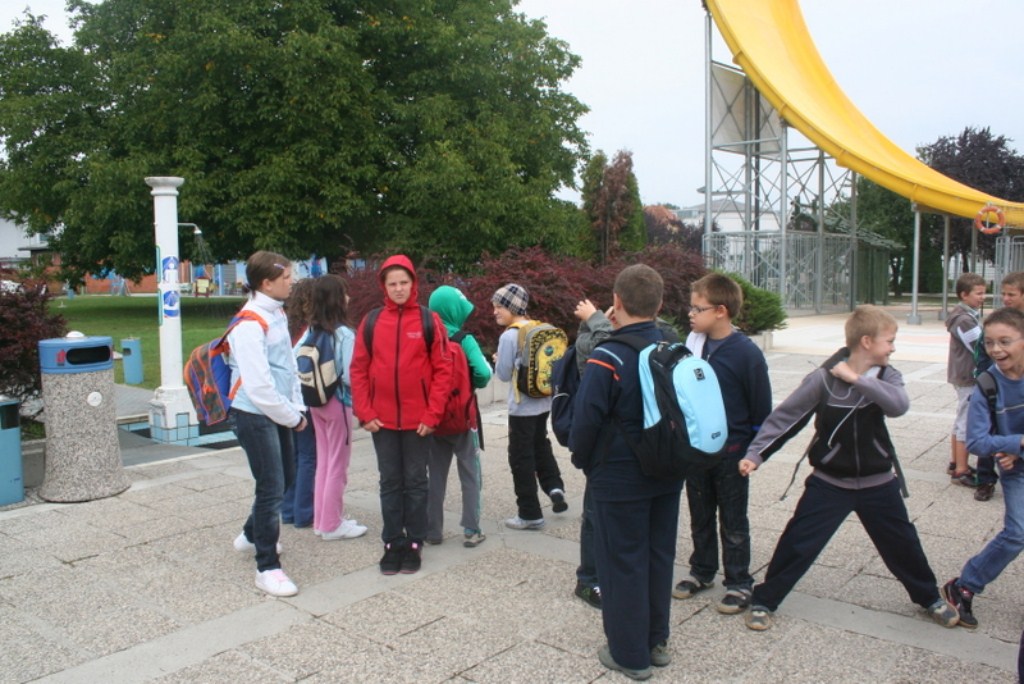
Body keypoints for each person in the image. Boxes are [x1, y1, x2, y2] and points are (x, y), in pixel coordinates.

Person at [738, 305, 959, 632]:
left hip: (878, 483)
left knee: (903, 544)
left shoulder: (888, 376)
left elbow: (898, 406)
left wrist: (856, 379)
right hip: (829, 483)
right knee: (798, 542)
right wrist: (755, 454)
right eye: (889, 340)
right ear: (867, 341)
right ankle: (764, 600)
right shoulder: (823, 379)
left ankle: (929, 598)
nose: (893, 347)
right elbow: (787, 417)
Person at [570, 264, 682, 681]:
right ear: (660, 303)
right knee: (658, 556)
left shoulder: (608, 356)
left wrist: (584, 460)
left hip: (619, 476)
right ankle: (656, 642)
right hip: (669, 470)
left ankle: (629, 654)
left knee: (621, 562)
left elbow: (585, 420)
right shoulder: (674, 349)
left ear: (616, 303)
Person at [673, 273, 772, 615]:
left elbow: (761, 409)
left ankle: (739, 581)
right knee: (700, 515)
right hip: (697, 450)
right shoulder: (691, 347)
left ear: (720, 311)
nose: (690, 314)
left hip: (732, 453)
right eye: (691, 307)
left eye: (697, 308)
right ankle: (702, 571)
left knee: (733, 520)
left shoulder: (746, 354)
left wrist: (754, 452)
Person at [350, 255, 453, 575]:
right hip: (381, 421)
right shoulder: (371, 321)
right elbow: (358, 369)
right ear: (384, 286)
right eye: (392, 283)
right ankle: (393, 541)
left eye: (403, 283)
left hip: (418, 422)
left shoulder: (428, 320)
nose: (398, 289)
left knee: (416, 482)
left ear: (413, 284)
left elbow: (443, 370)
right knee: (390, 481)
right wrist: (365, 412)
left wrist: (432, 414)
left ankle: (414, 541)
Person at [228, 250, 308, 597]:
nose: (292, 282)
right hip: (255, 414)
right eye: (286, 277)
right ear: (266, 283)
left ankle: (251, 534)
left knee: (285, 478)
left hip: (277, 411)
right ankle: (267, 567)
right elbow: (259, 386)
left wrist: (295, 408)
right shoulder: (249, 324)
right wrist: (293, 417)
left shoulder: (275, 312)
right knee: (272, 486)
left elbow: (286, 367)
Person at [944, 307, 1024, 629]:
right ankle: (964, 585)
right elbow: (977, 441)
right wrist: (1014, 443)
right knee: (1017, 533)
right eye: (989, 343)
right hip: (1015, 469)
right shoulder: (988, 383)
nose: (996, 349)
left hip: (1016, 456)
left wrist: (1013, 446)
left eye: (1005, 341)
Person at [492, 283, 567, 531]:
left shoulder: (509, 336)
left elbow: (503, 374)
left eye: (500, 306)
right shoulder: (538, 328)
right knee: (541, 445)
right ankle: (555, 487)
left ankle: (529, 513)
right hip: (543, 402)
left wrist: (498, 360)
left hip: (521, 407)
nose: (495, 311)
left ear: (513, 308)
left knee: (520, 457)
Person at [426, 285, 492, 548]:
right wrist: (470, 384)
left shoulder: (425, 337)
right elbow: (484, 373)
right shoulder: (464, 340)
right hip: (463, 417)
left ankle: (433, 531)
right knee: (470, 473)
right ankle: (472, 529)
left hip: (433, 419)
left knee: (435, 475)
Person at [307, 275, 367, 541]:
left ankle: (322, 520)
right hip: (339, 403)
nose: (348, 298)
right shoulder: (344, 334)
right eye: (344, 293)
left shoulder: (313, 330)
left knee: (324, 461)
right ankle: (332, 524)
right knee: (338, 465)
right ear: (336, 299)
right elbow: (351, 376)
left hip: (316, 401)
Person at [975, 271, 1024, 502]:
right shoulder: (996, 323)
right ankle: (985, 480)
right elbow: (981, 356)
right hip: (997, 389)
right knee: (992, 429)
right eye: (1003, 294)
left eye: (1011, 294)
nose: (1005, 298)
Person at [281, 277, 317, 530]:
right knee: (308, 456)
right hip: (303, 400)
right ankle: (304, 511)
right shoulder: (310, 331)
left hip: (284, 400)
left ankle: (288, 509)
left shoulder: (286, 327)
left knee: (292, 455)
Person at [945, 273, 986, 487]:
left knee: (961, 417)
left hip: (963, 375)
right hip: (967, 376)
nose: (982, 297)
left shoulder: (966, 315)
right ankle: (961, 470)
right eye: (978, 293)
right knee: (965, 421)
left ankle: (955, 463)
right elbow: (980, 348)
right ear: (964, 294)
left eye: (983, 293)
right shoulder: (964, 320)